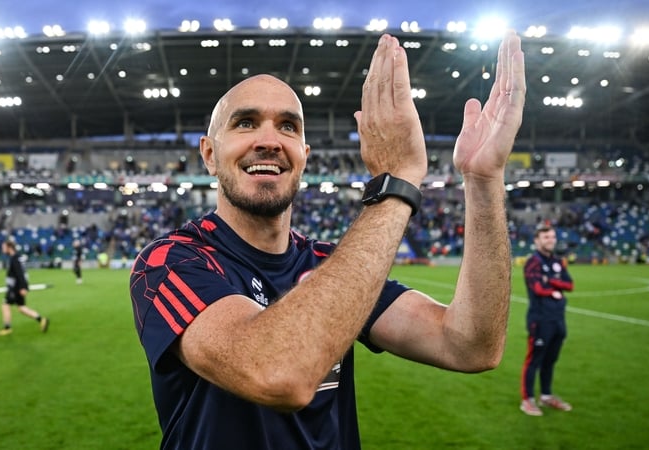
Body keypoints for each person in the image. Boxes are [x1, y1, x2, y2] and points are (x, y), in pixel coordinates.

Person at [130, 31, 525, 449]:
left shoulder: (329, 264)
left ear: (304, 154)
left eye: (288, 126)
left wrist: (483, 181)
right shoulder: (168, 262)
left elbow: (470, 345)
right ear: (209, 154)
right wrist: (396, 183)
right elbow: (278, 373)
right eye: (246, 122)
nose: (269, 141)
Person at [519, 222, 574, 416]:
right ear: (536, 241)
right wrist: (553, 288)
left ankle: (546, 395)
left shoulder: (557, 261)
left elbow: (570, 285)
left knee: (550, 360)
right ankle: (527, 400)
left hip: (558, 318)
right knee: (534, 359)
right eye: (546, 237)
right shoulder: (533, 262)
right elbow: (537, 289)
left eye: (552, 237)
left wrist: (549, 281)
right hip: (540, 319)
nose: (550, 240)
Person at [0, 238, 49, 336]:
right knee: (21, 308)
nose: (2, 249)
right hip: (18, 287)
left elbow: (20, 274)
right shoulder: (18, 257)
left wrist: (23, 287)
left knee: (5, 305)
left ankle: (7, 328)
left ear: (9, 247)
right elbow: (23, 273)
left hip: (15, 288)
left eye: (4, 247)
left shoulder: (15, 259)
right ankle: (42, 319)